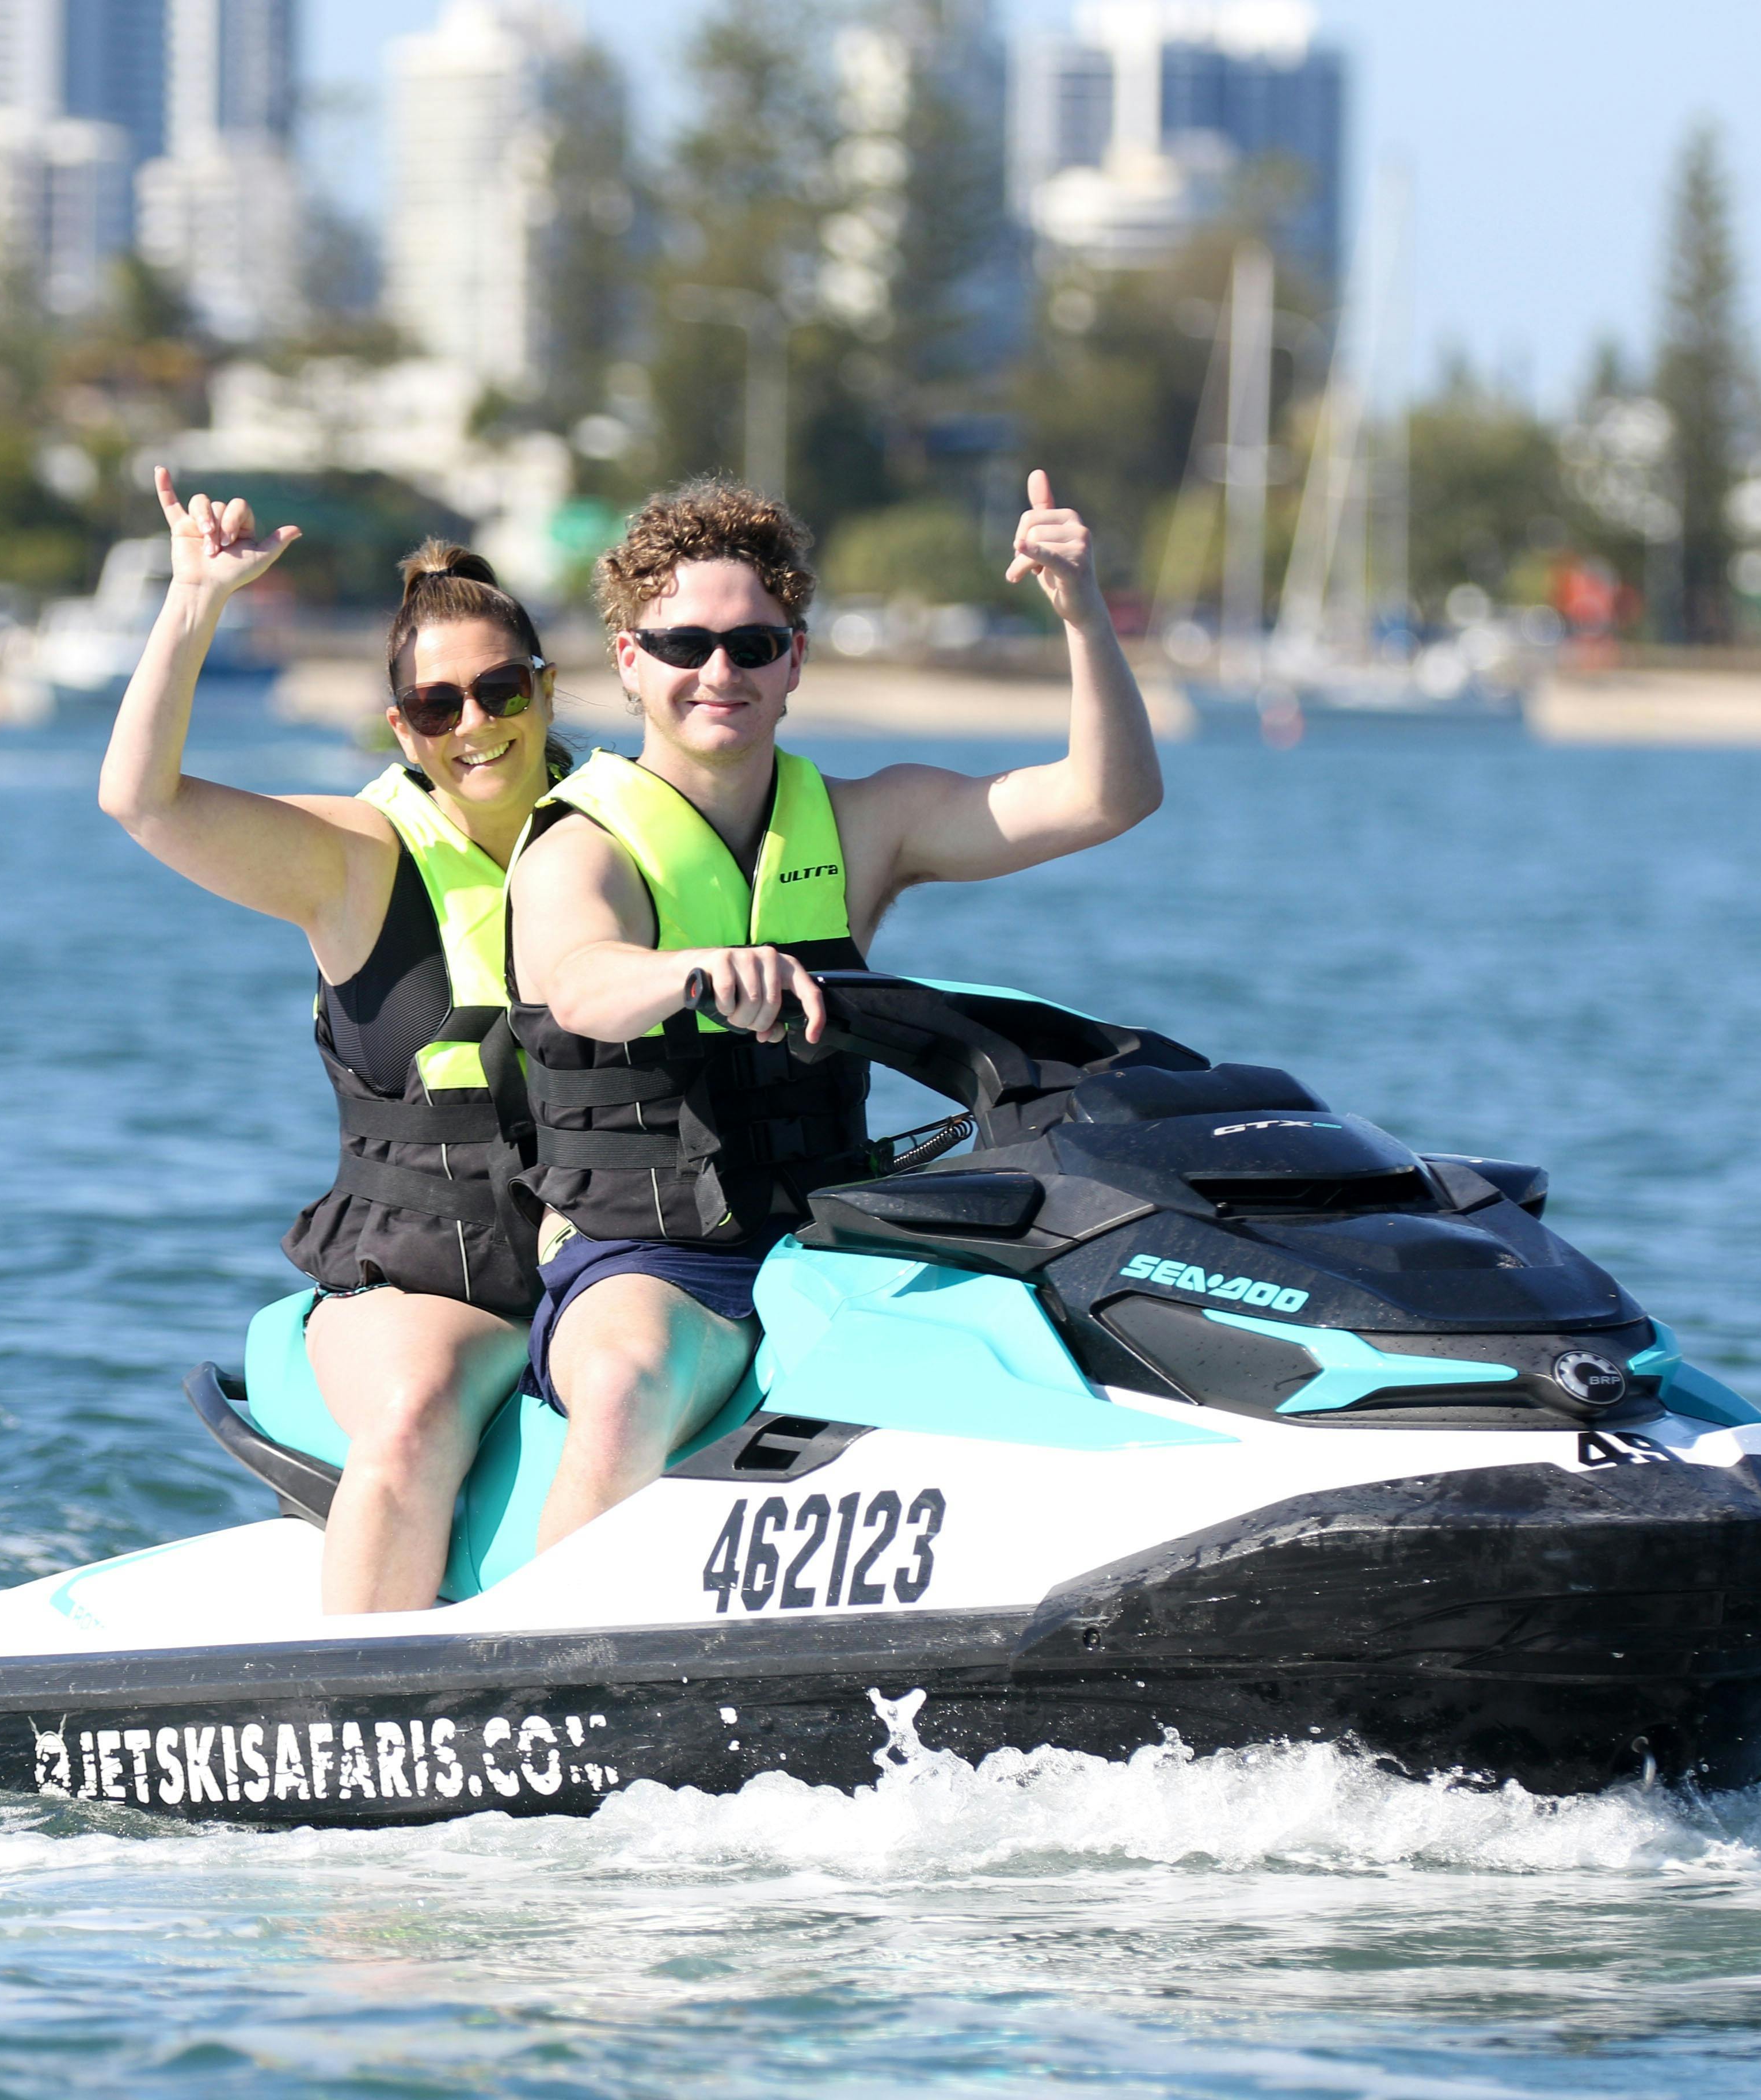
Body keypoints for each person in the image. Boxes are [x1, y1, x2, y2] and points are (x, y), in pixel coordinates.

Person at [507, 470, 1162, 1550]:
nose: (719, 671)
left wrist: (1082, 610)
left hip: (836, 1236)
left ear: (794, 659)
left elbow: (1109, 797)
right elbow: (581, 982)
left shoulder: (867, 825)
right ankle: (542, 1678)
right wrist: (695, 971)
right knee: (627, 1387)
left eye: (753, 646)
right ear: (630, 659)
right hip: (651, 1257)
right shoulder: (583, 846)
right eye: (683, 645)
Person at [99, 468, 564, 1614]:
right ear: (402, 727)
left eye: (500, 690)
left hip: (610, 1245)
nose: (477, 726)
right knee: (410, 1423)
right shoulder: (358, 859)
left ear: (545, 691)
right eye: (438, 707)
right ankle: (357, 1706)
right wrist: (195, 600)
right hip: (425, 1276)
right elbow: (140, 800)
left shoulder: (627, 830)